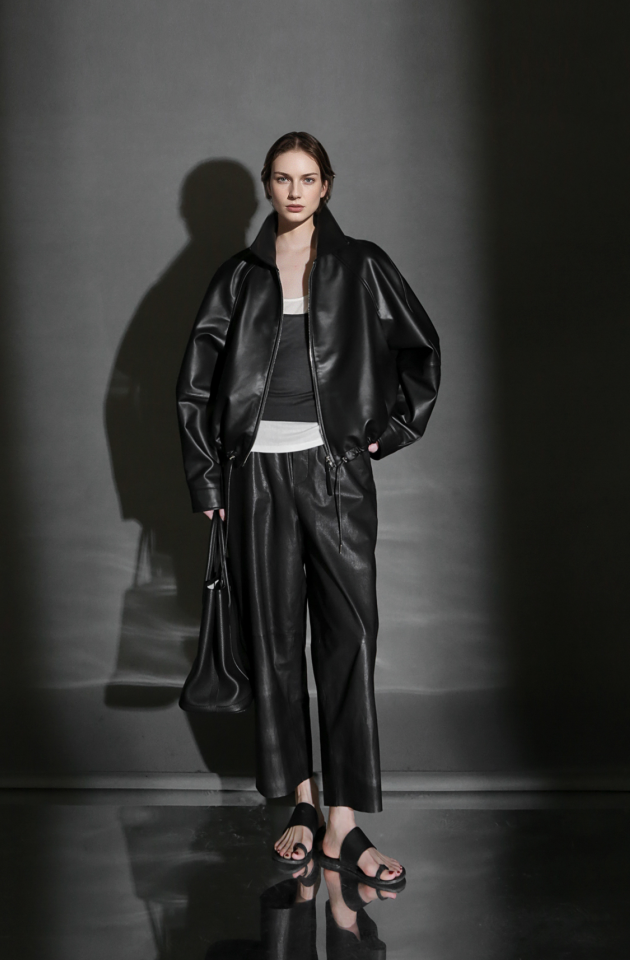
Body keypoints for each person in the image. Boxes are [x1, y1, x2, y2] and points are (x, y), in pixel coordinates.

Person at [177, 132, 440, 886]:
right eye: (282, 178)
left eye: (308, 178)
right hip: (253, 477)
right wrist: (208, 484)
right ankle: (301, 805)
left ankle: (344, 826)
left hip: (334, 473)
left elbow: (421, 352)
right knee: (275, 644)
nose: (294, 191)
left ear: (326, 186)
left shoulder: (363, 266)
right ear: (267, 186)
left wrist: (386, 433)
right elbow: (194, 386)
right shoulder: (239, 277)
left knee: (349, 639)